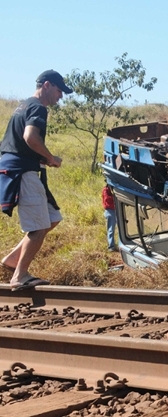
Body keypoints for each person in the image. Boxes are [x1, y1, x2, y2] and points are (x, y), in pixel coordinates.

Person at [0, 69, 73, 291]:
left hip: (19, 167)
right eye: (59, 91)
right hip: (22, 172)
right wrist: (50, 157)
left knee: (52, 218)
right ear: (47, 85)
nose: (61, 96)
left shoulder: (23, 105)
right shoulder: (38, 108)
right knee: (38, 227)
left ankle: (12, 260)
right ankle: (19, 276)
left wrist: (42, 159)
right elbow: (30, 137)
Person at [102, 183, 117, 251]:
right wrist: (115, 196)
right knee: (111, 229)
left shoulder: (113, 190)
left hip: (116, 210)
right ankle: (111, 246)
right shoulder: (106, 190)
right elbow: (107, 200)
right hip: (110, 211)